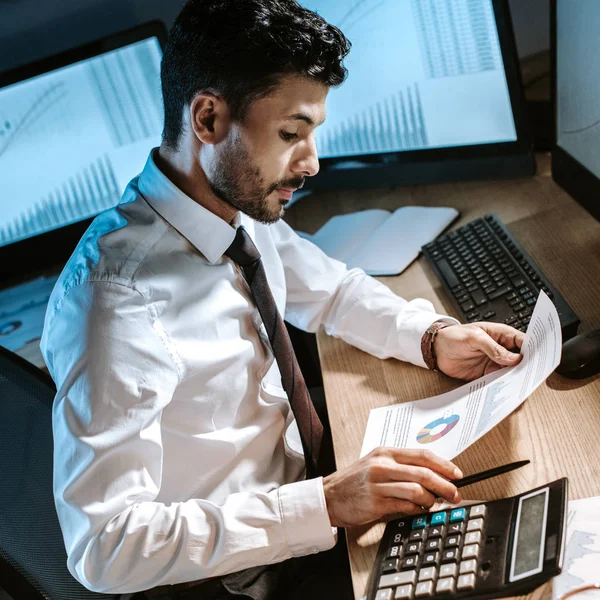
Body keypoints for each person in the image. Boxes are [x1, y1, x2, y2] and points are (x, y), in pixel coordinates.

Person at [41, 0, 526, 598]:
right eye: (291, 134)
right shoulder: (114, 303)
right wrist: (321, 504)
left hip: (313, 495)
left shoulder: (240, 205)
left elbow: (328, 291)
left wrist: (428, 338)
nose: (312, 162)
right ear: (209, 119)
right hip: (251, 574)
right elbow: (104, 547)